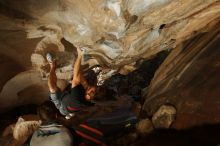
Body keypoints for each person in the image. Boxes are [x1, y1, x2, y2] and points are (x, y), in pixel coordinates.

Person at [47, 46, 96, 119]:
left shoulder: (77, 98)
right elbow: (79, 76)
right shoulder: (90, 100)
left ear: (88, 96)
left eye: (91, 90)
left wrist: (79, 56)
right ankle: (70, 114)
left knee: (52, 88)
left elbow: (76, 75)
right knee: (82, 81)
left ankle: (52, 66)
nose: (91, 88)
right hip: (69, 100)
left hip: (62, 107)